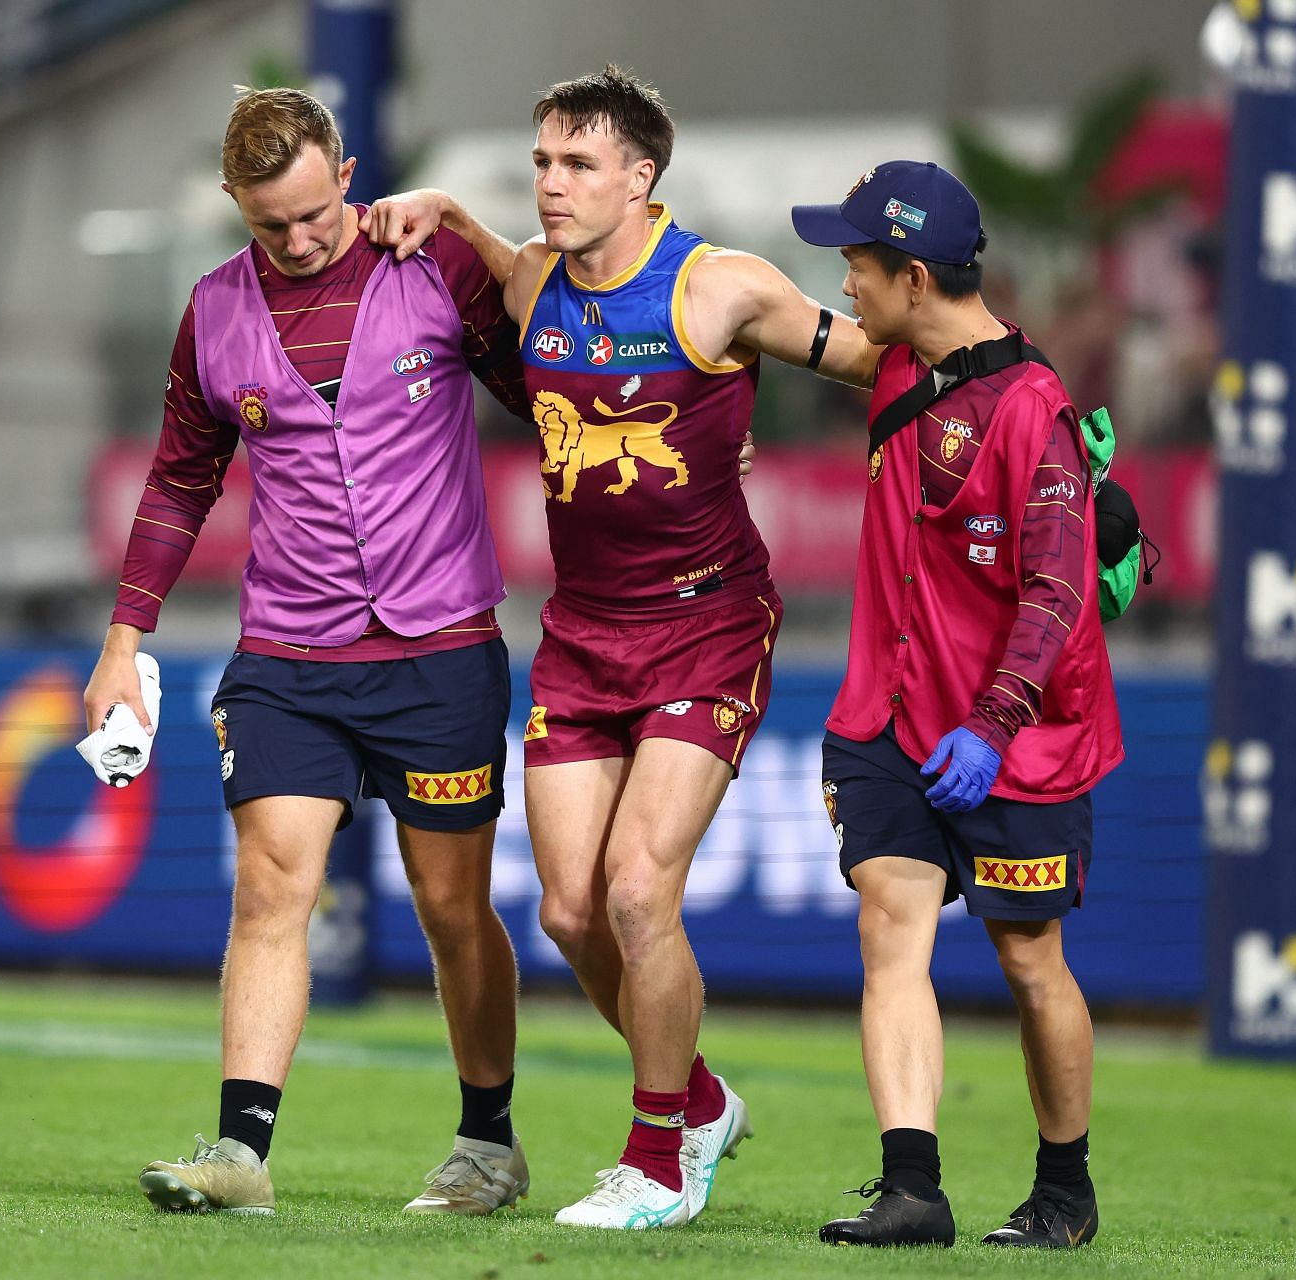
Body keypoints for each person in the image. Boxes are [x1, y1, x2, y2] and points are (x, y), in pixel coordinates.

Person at [365, 65, 881, 1230]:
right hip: (583, 636)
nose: (553, 183)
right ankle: (700, 1099)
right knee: (568, 912)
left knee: (642, 890)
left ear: (640, 178)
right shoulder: (538, 274)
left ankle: (658, 1163)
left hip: (707, 626)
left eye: (579, 164)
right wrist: (442, 207)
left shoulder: (720, 287)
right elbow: (495, 265)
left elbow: (879, 358)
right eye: (543, 161)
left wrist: (1013, 397)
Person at [88, 87, 537, 1219]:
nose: (296, 240)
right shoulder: (213, 312)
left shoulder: (434, 266)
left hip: (441, 647)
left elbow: (548, 397)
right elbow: (181, 478)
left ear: (345, 168)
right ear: (235, 205)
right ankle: (241, 1150)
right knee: (272, 886)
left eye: (311, 213)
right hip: (290, 650)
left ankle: (488, 1141)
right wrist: (121, 638)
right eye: (266, 224)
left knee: (450, 904)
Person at [789, 161, 1123, 1249]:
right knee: (891, 930)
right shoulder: (897, 366)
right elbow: (766, 319)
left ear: (915, 275)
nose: (845, 282)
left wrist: (992, 724)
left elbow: (1061, 590)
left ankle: (1065, 1190)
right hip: (889, 718)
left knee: (1031, 961)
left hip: (1017, 737)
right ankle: (912, 1187)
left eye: (857, 265)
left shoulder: (1036, 413)